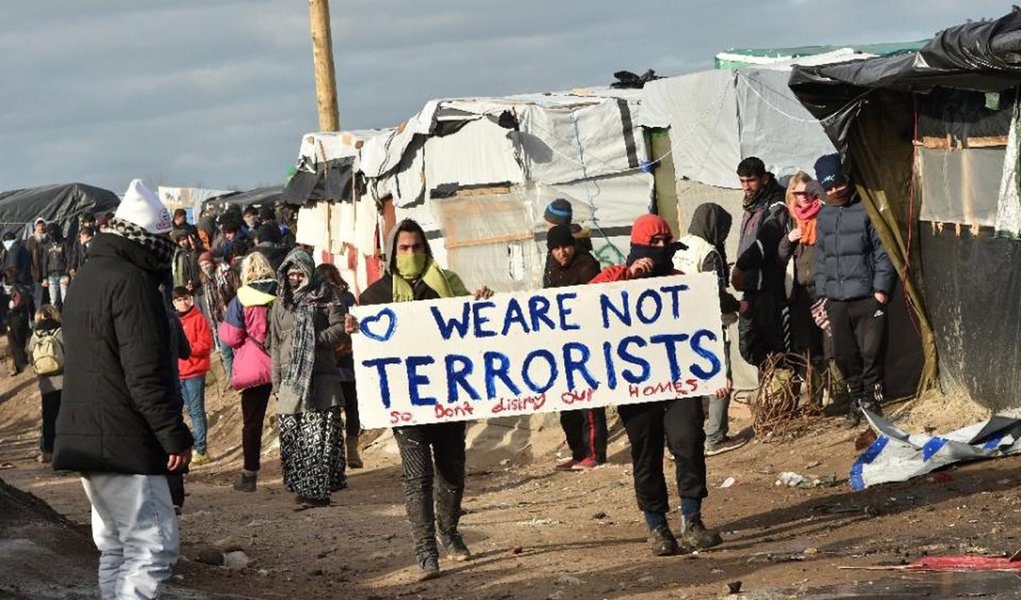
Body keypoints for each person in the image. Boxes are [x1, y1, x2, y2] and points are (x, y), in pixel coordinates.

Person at [53, 179, 193, 599]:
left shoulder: (88, 276)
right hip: (124, 438)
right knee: (153, 549)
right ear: (147, 238)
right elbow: (144, 372)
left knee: (115, 548)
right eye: (164, 238)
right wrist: (173, 433)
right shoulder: (133, 283)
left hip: (87, 434)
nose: (170, 247)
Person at [351, 218, 492, 580]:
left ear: (426, 250)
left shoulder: (450, 286)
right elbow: (361, 343)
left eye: (417, 247)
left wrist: (481, 306)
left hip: (449, 398)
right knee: (418, 477)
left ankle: (449, 531)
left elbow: (476, 331)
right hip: (406, 405)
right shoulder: (375, 297)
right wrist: (354, 328)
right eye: (404, 248)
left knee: (452, 473)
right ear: (392, 253)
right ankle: (426, 551)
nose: (411, 254)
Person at [590, 214, 723, 557]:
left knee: (689, 443)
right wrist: (628, 277)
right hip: (637, 386)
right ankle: (657, 526)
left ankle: (692, 520)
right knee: (646, 454)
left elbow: (702, 324)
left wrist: (716, 372)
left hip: (679, 384)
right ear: (638, 247)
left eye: (667, 243)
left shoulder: (681, 280)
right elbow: (585, 306)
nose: (663, 249)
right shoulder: (613, 277)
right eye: (656, 244)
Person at [813, 154, 894, 428]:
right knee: (844, 354)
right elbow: (821, 257)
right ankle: (856, 399)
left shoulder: (866, 209)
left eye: (838, 183)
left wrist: (881, 290)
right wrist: (823, 293)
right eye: (829, 187)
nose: (835, 190)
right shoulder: (823, 215)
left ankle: (872, 400)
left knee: (871, 351)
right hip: (836, 298)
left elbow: (883, 251)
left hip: (867, 294)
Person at [270, 249, 348, 507]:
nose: (295, 277)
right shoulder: (280, 302)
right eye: (290, 272)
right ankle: (303, 489)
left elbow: (340, 329)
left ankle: (317, 492)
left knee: (318, 437)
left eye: (299, 272)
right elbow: (275, 343)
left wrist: (316, 340)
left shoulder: (328, 295)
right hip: (290, 380)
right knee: (294, 436)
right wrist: (276, 382)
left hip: (321, 378)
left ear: (309, 271)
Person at [673, 203, 745, 456]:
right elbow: (713, 291)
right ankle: (715, 436)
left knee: (689, 382)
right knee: (719, 378)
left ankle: (684, 439)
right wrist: (738, 305)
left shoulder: (679, 246)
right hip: (708, 327)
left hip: (681, 327)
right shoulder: (709, 252)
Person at [543, 224, 606, 470]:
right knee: (567, 406)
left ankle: (594, 453)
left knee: (588, 402)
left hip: (585, 344)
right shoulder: (552, 269)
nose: (562, 253)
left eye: (565, 246)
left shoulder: (586, 265)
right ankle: (578, 453)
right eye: (556, 249)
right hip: (561, 346)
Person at [218, 251, 276, 492]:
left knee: (252, 422)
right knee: (292, 417)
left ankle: (249, 474)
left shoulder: (240, 300)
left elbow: (230, 337)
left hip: (255, 366)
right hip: (283, 361)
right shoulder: (280, 293)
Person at [778, 173, 833, 407]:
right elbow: (780, 257)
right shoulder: (790, 220)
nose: (803, 198)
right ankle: (814, 399)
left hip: (824, 288)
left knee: (829, 342)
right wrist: (788, 240)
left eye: (807, 192)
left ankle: (837, 394)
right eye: (798, 193)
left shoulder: (825, 214)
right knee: (806, 346)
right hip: (799, 291)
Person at [731, 157, 789, 368]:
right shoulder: (752, 204)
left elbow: (767, 240)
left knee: (776, 349)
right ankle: (770, 396)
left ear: (764, 178)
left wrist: (741, 266)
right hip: (751, 287)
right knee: (751, 348)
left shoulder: (777, 203)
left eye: (751, 181)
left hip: (771, 290)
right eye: (742, 181)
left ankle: (784, 396)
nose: (746, 187)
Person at [316, 262, 363, 469]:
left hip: (330, 365)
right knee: (352, 408)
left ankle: (335, 456)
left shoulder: (317, 301)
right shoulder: (348, 298)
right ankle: (352, 451)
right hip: (347, 364)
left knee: (332, 410)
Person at [173, 286, 213, 466]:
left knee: (197, 411)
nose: (183, 302)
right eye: (179, 300)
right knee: (189, 411)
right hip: (180, 373)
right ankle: (196, 445)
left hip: (195, 372)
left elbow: (205, 345)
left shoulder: (198, 318)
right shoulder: (173, 321)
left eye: (185, 298)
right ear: (174, 303)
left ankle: (201, 449)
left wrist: (186, 350)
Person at [28, 304, 63, 463]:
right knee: (66, 416)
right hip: (65, 381)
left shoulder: (35, 336)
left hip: (46, 385)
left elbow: (30, 358)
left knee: (48, 418)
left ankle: (48, 451)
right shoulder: (61, 332)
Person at [3, 266, 32, 374]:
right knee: (21, 341)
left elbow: (12, 305)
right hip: (24, 315)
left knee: (14, 342)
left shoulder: (10, 289)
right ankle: (22, 362)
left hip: (14, 317)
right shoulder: (23, 286)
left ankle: (20, 365)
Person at [42, 223, 69, 311]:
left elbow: (69, 259)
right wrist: (45, 277)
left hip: (63, 274)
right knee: (53, 301)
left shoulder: (64, 243)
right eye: (50, 233)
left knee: (65, 299)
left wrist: (67, 274)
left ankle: (67, 318)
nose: (52, 235)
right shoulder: (47, 245)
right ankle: (55, 320)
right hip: (51, 275)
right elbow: (45, 261)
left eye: (53, 232)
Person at [26, 217, 50, 311]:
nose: (41, 227)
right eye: (39, 225)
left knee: (49, 299)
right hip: (36, 275)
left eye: (43, 225)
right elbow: (28, 258)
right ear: (35, 227)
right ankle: (38, 321)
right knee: (38, 299)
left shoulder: (49, 239)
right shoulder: (31, 240)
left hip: (49, 273)